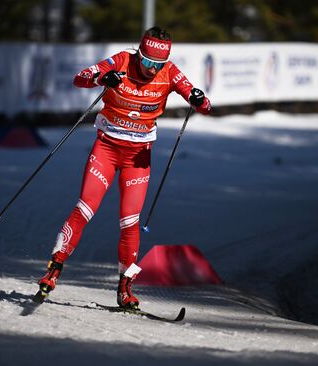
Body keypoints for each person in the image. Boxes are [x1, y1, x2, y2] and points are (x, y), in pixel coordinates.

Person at [37, 26, 212, 309]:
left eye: (158, 64)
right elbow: (79, 78)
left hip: (138, 159)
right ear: (138, 53)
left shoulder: (170, 72)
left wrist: (198, 98)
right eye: (146, 61)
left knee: (130, 221)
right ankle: (53, 269)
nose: (151, 69)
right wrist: (101, 77)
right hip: (106, 149)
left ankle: (125, 288)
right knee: (85, 208)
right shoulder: (121, 60)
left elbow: (204, 104)